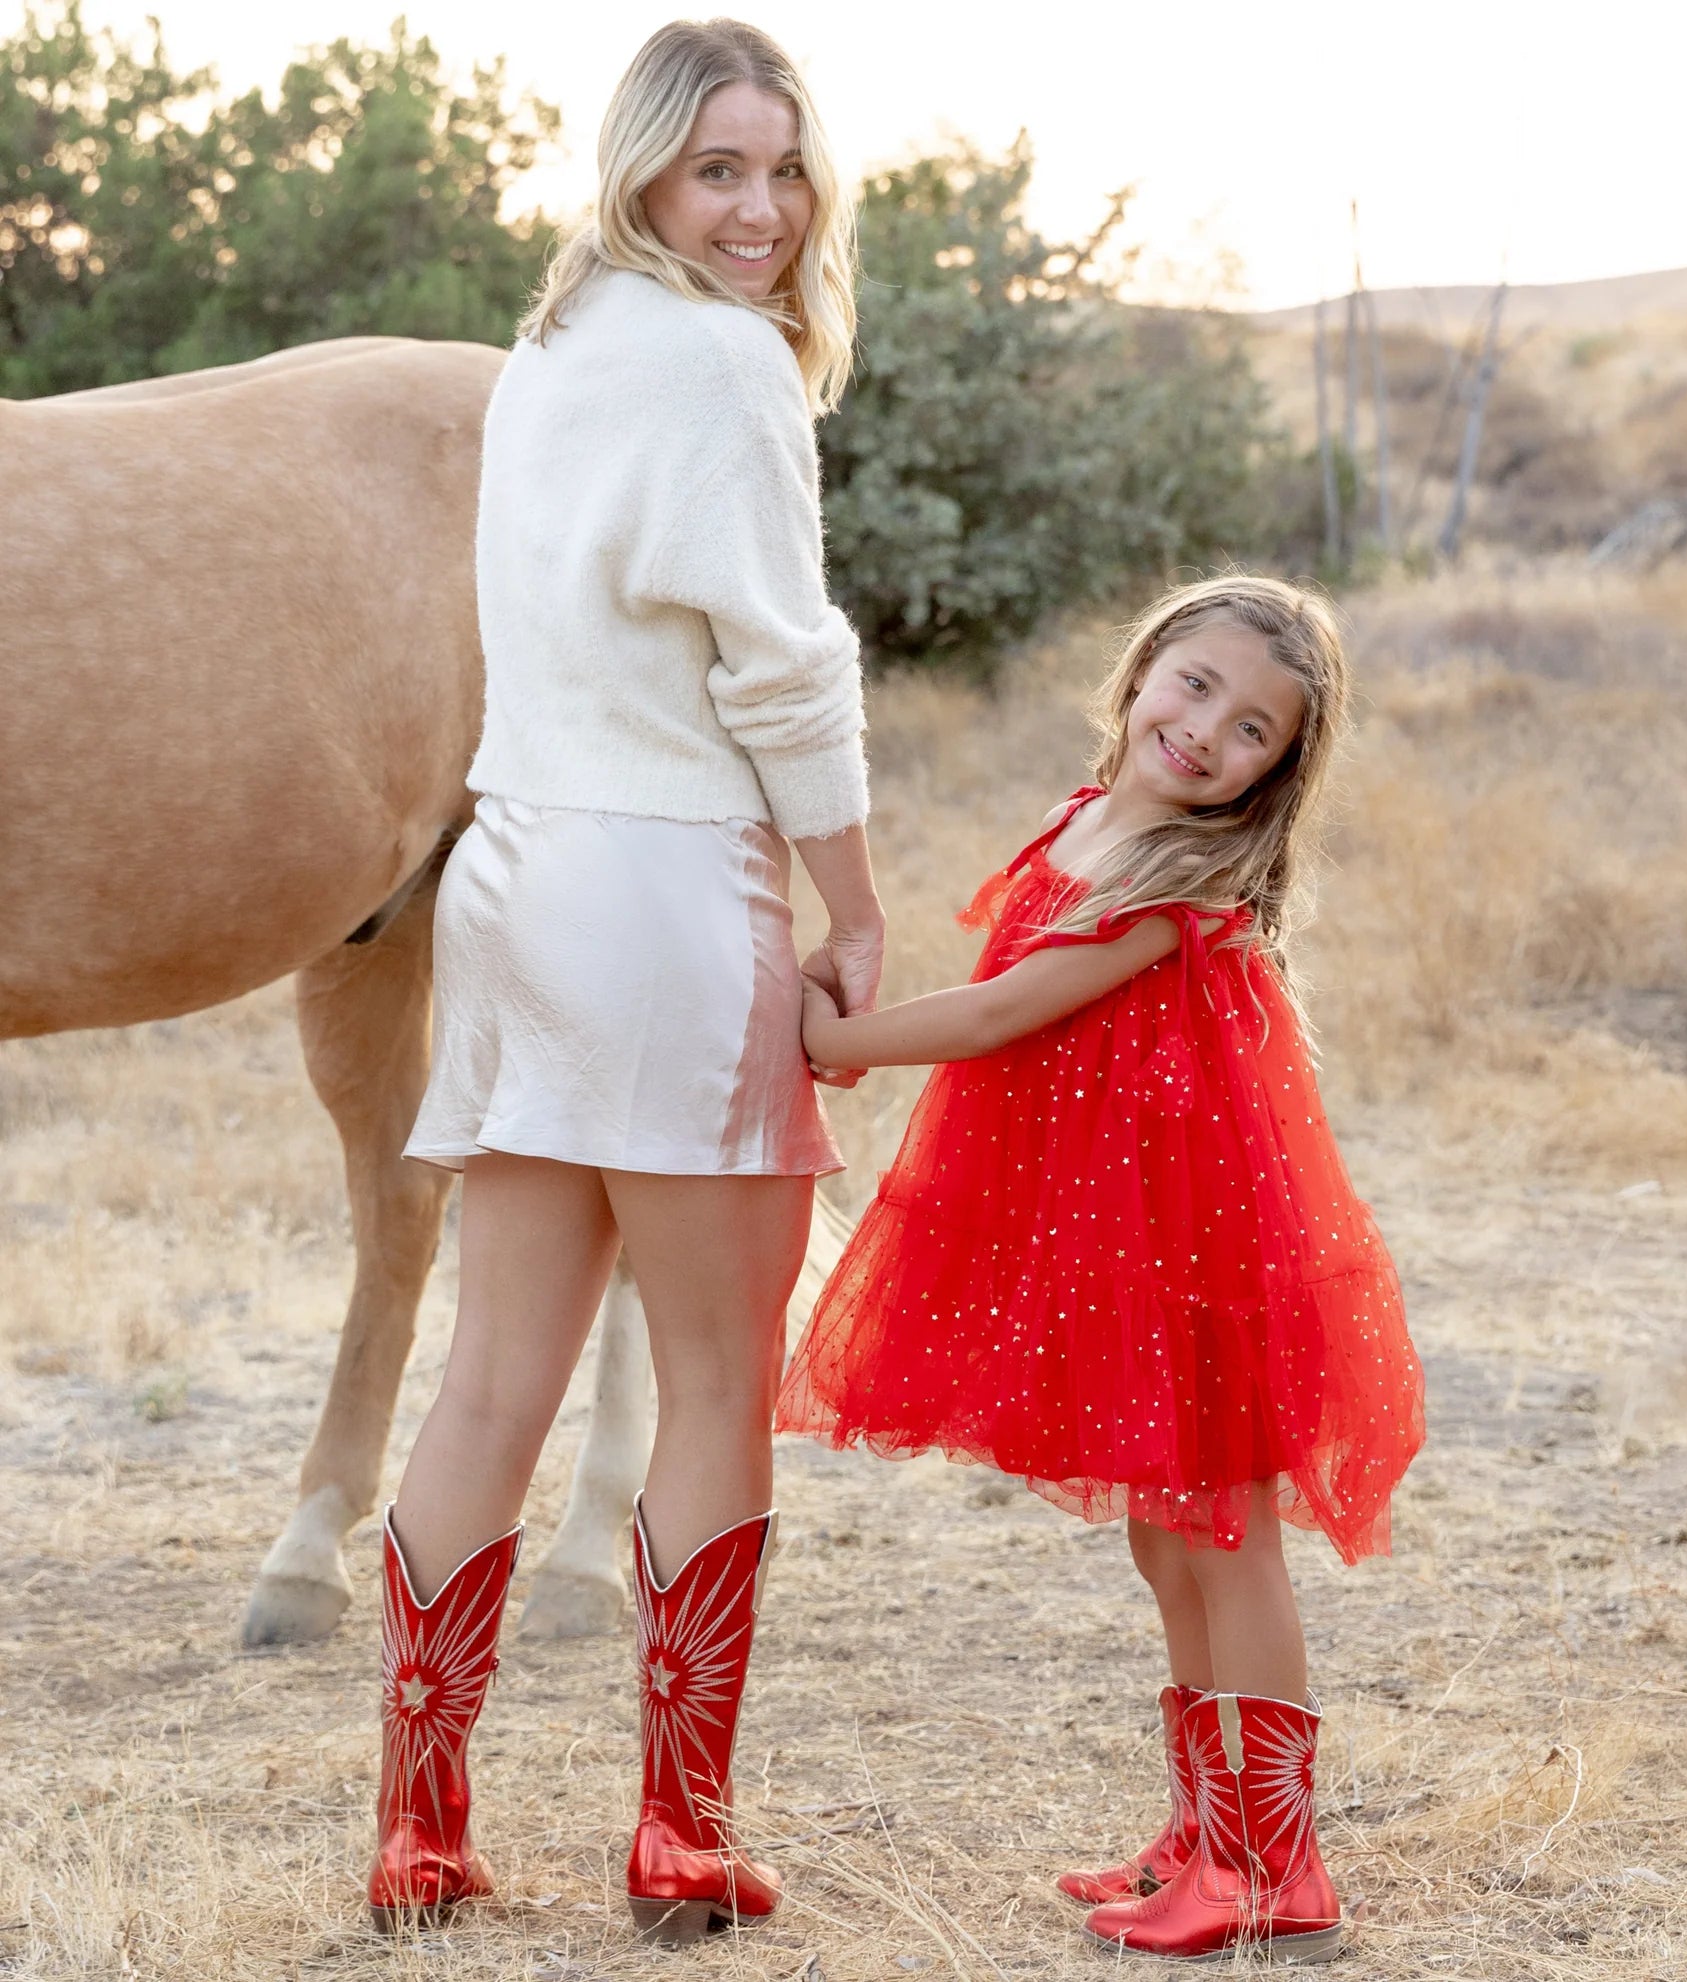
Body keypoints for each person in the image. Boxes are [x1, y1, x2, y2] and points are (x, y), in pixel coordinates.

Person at [365, 20, 884, 1945]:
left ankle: (420, 1827)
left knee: (492, 1367)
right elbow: (779, 664)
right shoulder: (726, 364)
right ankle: (680, 1825)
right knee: (719, 1369)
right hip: (675, 884)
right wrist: (854, 903)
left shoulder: (553, 350)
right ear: (645, 173)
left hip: (512, 875)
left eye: (781, 171)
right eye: (717, 172)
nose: (758, 212)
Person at [776, 574, 1425, 1964]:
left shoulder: (1175, 880)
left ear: (1273, 776)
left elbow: (1008, 1010)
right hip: (1126, 1237)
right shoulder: (1089, 820)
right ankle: (1206, 1827)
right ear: (1143, 670)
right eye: (1195, 686)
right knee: (1164, 1531)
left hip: (1203, 1250)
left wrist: (845, 1040)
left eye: (1251, 730)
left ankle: (1274, 1863)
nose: (1205, 731)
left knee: (1223, 1531)